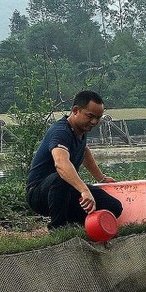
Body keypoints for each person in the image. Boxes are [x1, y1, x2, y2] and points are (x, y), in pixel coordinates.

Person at [26, 90, 123, 229]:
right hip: (40, 193)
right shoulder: (61, 132)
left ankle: (79, 224)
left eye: (98, 117)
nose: (94, 122)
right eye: (90, 116)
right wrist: (84, 190)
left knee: (113, 207)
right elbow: (61, 164)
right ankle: (58, 228)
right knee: (62, 177)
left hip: (66, 191)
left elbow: (84, 150)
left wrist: (101, 178)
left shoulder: (81, 130)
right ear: (76, 110)